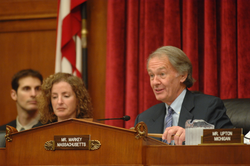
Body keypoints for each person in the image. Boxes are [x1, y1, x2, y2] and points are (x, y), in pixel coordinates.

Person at [134, 46, 234, 145]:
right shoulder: (144, 119)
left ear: (183, 75)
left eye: (162, 74)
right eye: (151, 75)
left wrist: (194, 136)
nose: (155, 82)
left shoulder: (209, 107)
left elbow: (232, 140)